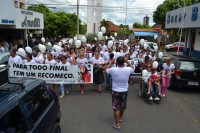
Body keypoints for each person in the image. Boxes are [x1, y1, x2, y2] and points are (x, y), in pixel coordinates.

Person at [106, 56, 134, 130]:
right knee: (122, 106)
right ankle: (120, 118)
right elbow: (133, 68)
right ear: (123, 62)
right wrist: (127, 61)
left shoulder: (113, 69)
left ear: (117, 63)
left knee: (116, 108)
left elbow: (106, 70)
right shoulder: (128, 69)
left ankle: (117, 124)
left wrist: (111, 63)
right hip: (124, 90)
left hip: (115, 91)